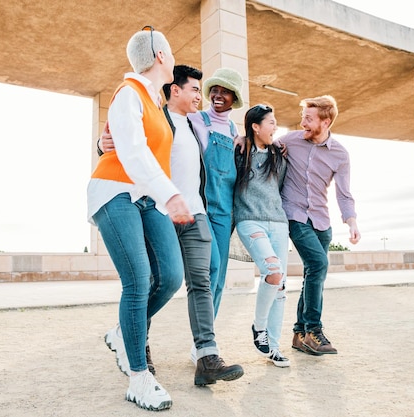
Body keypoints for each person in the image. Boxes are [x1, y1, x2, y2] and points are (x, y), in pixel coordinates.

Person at [99, 65, 245, 386]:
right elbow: (129, 143)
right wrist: (102, 142)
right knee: (158, 281)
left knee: (203, 282)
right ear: (175, 90)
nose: (200, 97)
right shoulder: (155, 119)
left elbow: (223, 129)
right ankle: (137, 341)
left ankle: (206, 356)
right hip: (160, 212)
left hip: (196, 214)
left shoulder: (196, 125)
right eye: (195, 90)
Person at [87, 26, 191, 412]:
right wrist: (172, 195)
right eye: (172, 50)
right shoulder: (128, 93)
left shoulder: (154, 102)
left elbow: (149, 149)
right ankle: (138, 379)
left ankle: (121, 331)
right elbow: (131, 151)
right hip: (114, 191)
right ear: (161, 55)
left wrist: (168, 195)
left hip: (148, 198)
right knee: (138, 281)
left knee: (170, 277)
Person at [277, 95, 361, 356]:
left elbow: (344, 193)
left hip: (322, 222)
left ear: (325, 122)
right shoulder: (290, 140)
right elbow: (262, 143)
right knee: (318, 265)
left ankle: (299, 334)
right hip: (294, 214)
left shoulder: (340, 154)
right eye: (303, 117)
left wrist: (352, 221)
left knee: (312, 274)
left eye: (309, 118)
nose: (302, 122)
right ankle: (314, 330)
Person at [233, 104, 291, 367]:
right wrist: (239, 139)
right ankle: (259, 327)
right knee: (272, 270)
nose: (275, 126)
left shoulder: (279, 155)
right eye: (270, 122)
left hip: (278, 222)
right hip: (249, 220)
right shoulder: (240, 152)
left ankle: (274, 348)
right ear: (255, 126)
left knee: (280, 287)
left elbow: (277, 188)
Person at [188, 67, 243, 319]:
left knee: (219, 277)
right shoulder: (196, 120)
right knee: (209, 268)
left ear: (234, 98)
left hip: (224, 213)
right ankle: (202, 336)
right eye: (215, 90)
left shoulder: (234, 133)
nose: (218, 95)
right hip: (200, 207)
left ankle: (205, 336)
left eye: (225, 92)